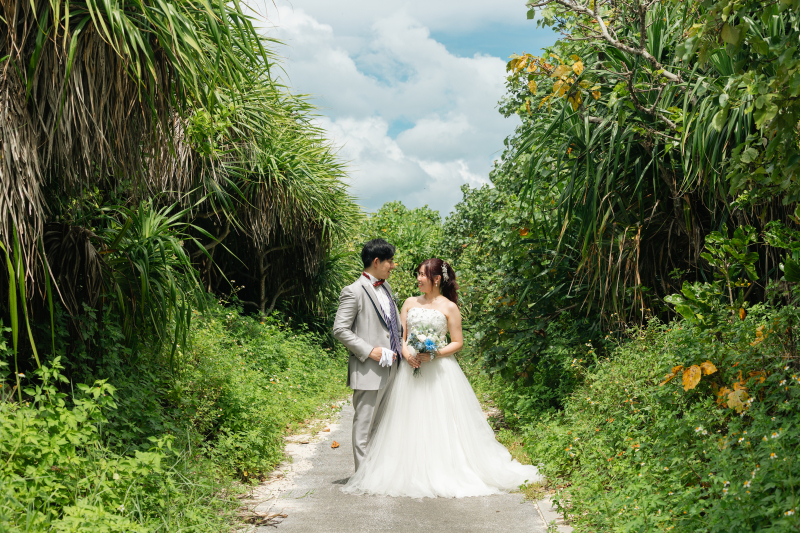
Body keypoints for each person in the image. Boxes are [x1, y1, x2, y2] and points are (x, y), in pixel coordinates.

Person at [342, 258, 543, 498]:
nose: (418, 279)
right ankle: (405, 469)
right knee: (406, 421)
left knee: (440, 420)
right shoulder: (408, 302)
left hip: (439, 370)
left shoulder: (449, 307)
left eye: (422, 275)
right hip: (409, 370)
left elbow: (458, 343)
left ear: (437, 279)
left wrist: (435, 353)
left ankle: (442, 467)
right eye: (417, 274)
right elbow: (400, 335)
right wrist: (406, 352)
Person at [332, 239, 402, 472]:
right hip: (369, 368)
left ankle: (378, 474)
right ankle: (363, 476)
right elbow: (340, 329)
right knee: (364, 424)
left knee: (382, 425)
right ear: (376, 262)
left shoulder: (387, 288)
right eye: (390, 261)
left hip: (393, 367)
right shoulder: (353, 291)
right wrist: (369, 351)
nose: (393, 266)